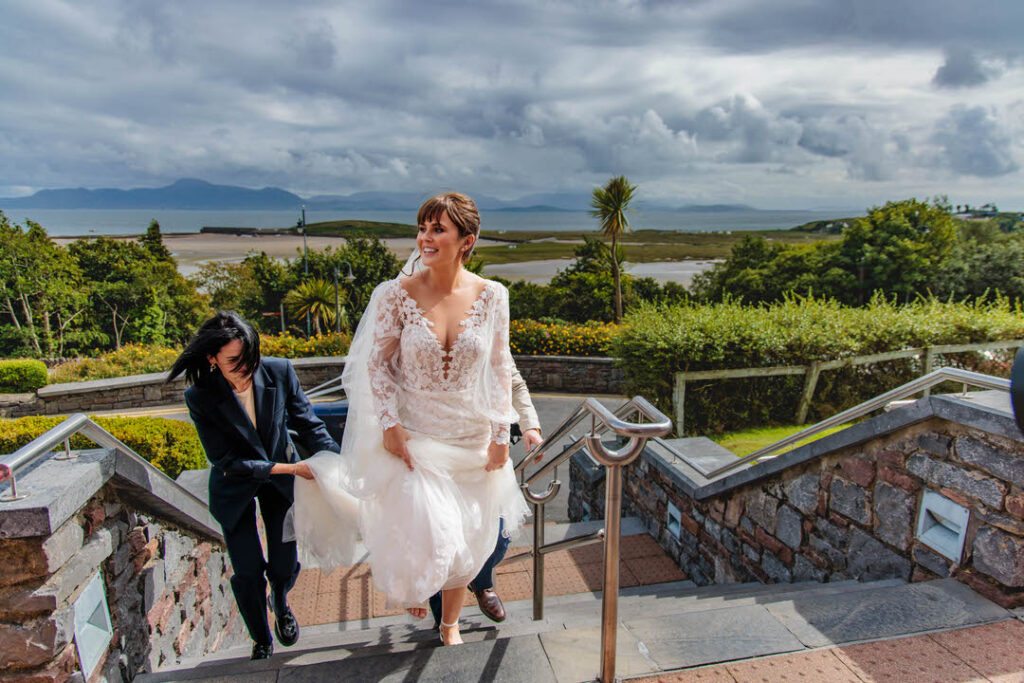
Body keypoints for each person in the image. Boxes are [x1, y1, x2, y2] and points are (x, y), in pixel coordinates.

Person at [292, 192, 530, 646]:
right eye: (422, 228)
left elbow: (500, 367)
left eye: (438, 229)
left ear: (467, 240)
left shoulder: (494, 296)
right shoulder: (394, 295)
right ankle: (418, 585)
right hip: (416, 435)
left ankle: (449, 625)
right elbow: (377, 365)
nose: (425, 238)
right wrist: (389, 424)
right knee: (435, 529)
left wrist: (502, 433)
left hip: (473, 438)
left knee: (468, 537)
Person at [167, 312, 338, 660]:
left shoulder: (279, 371)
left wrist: (336, 462)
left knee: (284, 564)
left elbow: (309, 424)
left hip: (280, 487)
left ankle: (281, 599)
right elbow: (225, 461)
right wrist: (291, 468)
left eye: (249, 357)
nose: (245, 367)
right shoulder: (200, 396)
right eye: (234, 361)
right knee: (247, 570)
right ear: (212, 359)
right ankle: (261, 638)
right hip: (236, 486)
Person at [427, 372, 543, 626]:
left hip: (484, 450)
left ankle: (480, 581)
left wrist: (530, 426)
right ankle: (444, 616)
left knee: (499, 534)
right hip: (434, 449)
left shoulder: (494, 342)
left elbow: (514, 383)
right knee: (440, 534)